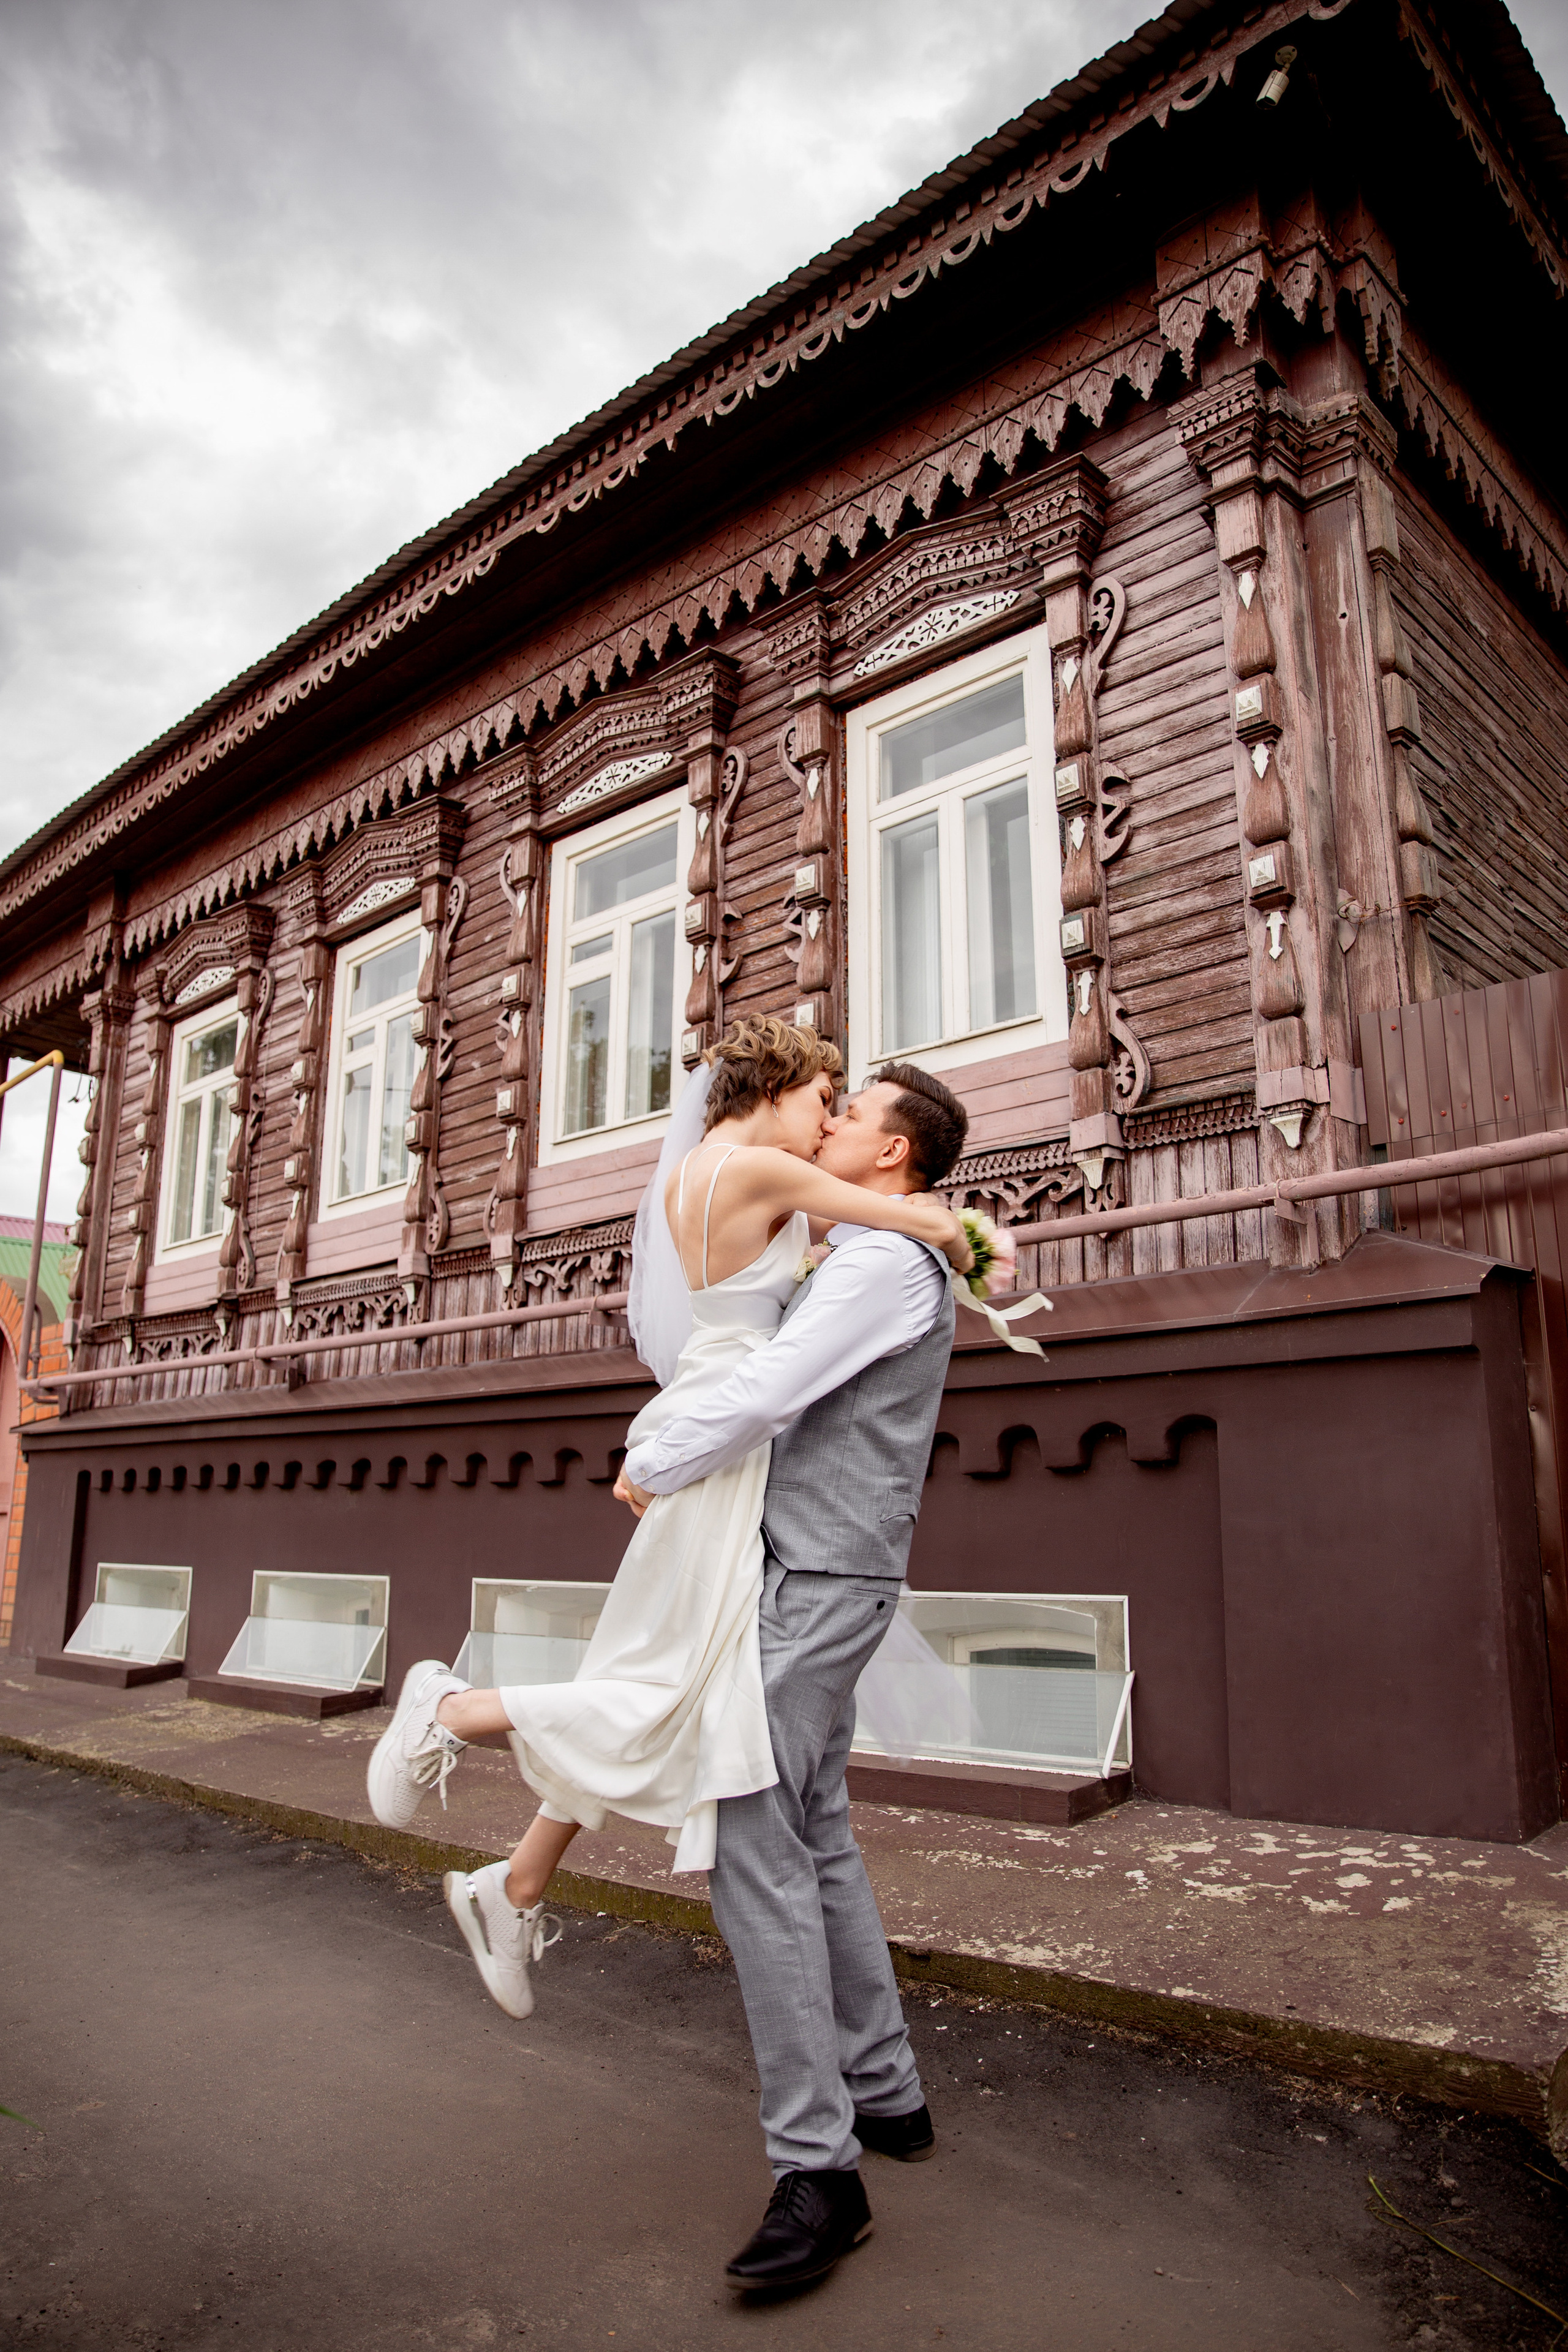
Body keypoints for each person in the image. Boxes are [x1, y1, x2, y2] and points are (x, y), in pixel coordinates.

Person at [365, 1019, 970, 2041]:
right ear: (777, 1090)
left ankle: (515, 1887)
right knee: (676, 1688)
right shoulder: (755, 1173)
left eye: (846, 1110)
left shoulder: (727, 1172)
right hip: (718, 1442)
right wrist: (964, 1236)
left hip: (717, 1435)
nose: (829, 1119)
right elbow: (911, 1228)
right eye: (827, 1098)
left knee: (664, 1669)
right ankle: (455, 1710)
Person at [616, 1054, 970, 2290]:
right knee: (813, 1831)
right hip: (814, 1573)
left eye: (850, 1112)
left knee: (747, 1833)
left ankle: (817, 2171)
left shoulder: (876, 1263)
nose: (827, 1123)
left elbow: (770, 1389)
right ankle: (887, 2097)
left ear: (892, 1152)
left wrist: (657, 1454)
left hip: (818, 1584)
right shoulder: (874, 1247)